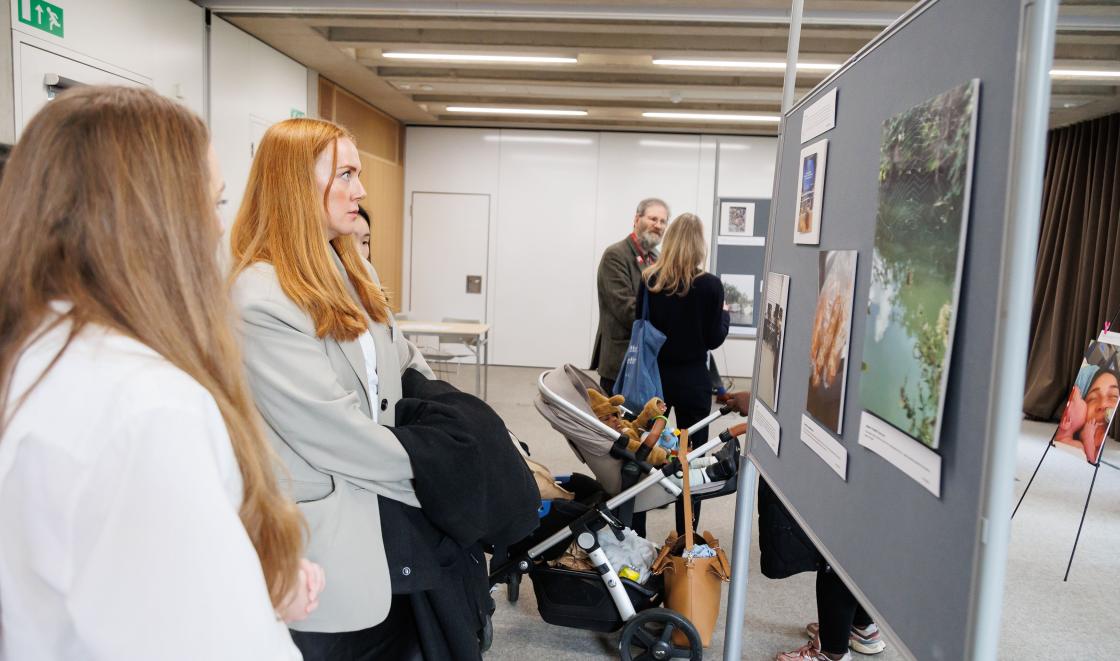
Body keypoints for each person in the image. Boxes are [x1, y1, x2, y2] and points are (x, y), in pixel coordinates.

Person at [0, 86, 321, 660]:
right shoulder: (145, 407)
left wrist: (246, 579)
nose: (219, 229)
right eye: (214, 202)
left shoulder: (38, 354)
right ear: (159, 220)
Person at [229, 117, 435, 659]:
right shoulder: (261, 298)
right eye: (345, 174)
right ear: (296, 183)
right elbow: (333, 429)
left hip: (385, 517)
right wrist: (440, 473)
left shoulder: (348, 266)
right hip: (323, 539)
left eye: (359, 173)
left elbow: (404, 358)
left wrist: (453, 419)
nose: (361, 190)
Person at [641, 212, 730, 533]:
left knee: (645, 455)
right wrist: (725, 317)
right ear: (699, 244)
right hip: (694, 381)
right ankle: (686, 535)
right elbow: (713, 338)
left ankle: (637, 532)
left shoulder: (650, 280)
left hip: (655, 381)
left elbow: (641, 326)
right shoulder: (710, 286)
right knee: (690, 461)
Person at [591, 197, 669, 393]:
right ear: (636, 219)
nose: (658, 225)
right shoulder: (616, 255)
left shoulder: (658, 258)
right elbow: (626, 309)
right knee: (617, 424)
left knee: (646, 423)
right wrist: (669, 323)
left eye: (663, 221)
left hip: (648, 359)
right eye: (653, 219)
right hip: (622, 361)